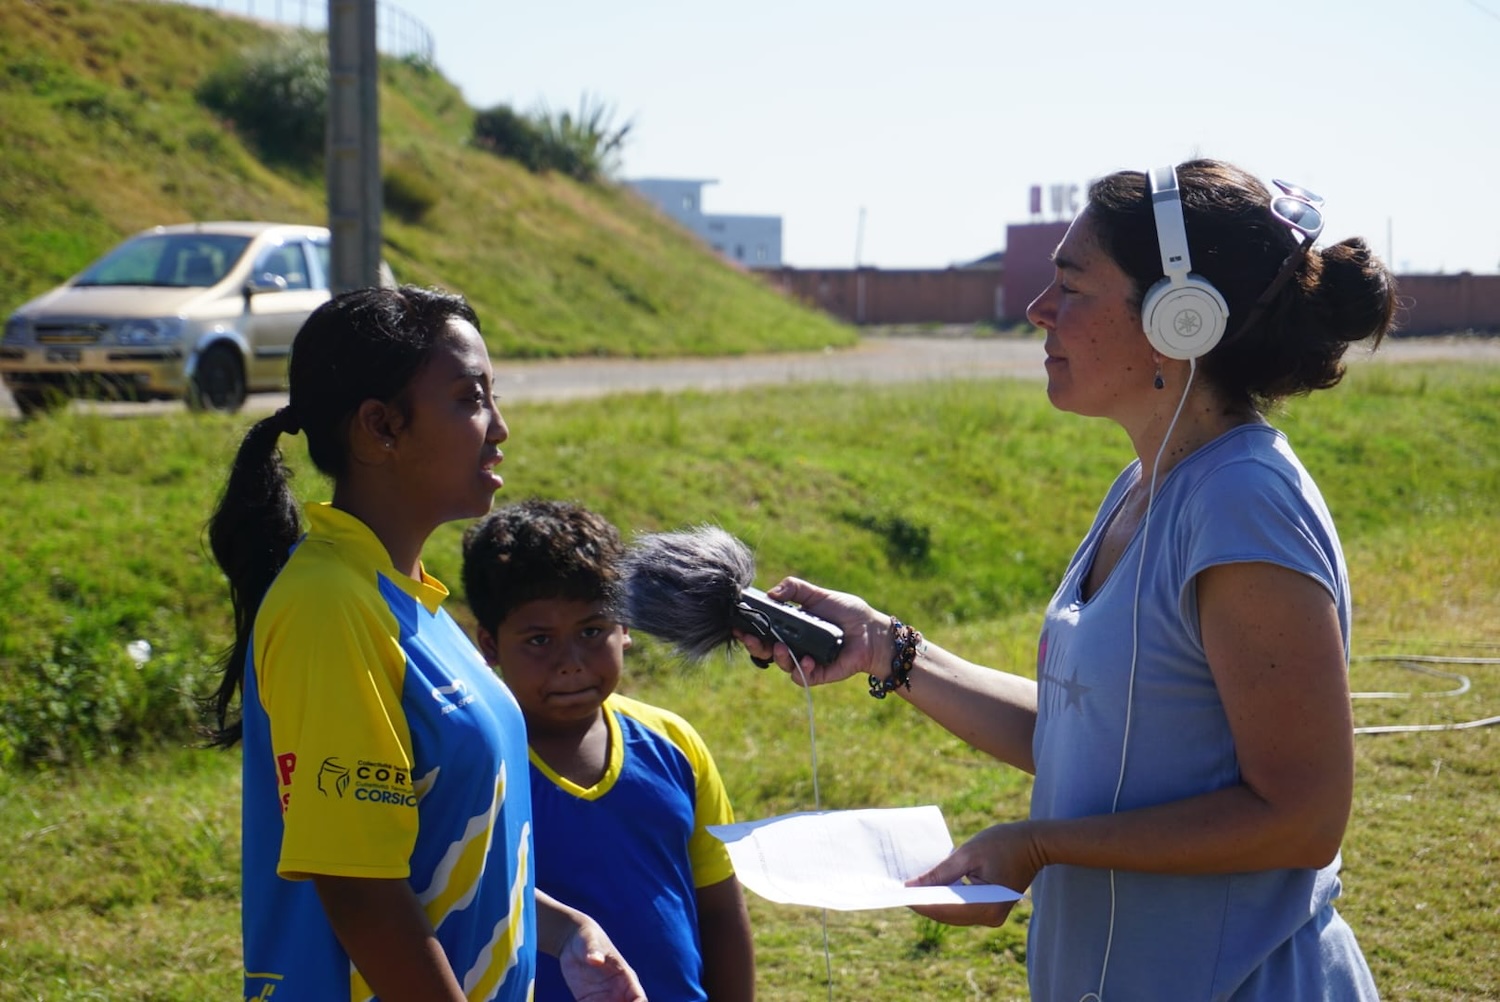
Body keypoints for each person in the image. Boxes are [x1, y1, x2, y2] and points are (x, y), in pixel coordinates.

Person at [741, 159, 1393, 1001]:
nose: (1036, 311)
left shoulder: (1244, 506)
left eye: (1071, 286)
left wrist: (1042, 845)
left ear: (1179, 318)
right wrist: (889, 651)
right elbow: (1104, 735)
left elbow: (1300, 817)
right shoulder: (1145, 484)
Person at [205, 286, 646, 1002]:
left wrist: (567, 931)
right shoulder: (329, 603)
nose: (499, 427)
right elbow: (360, 888)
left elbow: (437, 853)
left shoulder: (419, 607)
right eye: (471, 399)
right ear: (379, 427)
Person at [462, 499, 756, 1002]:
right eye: (538, 640)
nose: (571, 663)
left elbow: (720, 910)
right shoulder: (476, 759)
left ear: (626, 629)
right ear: (489, 646)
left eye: (592, 632)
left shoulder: (674, 744)